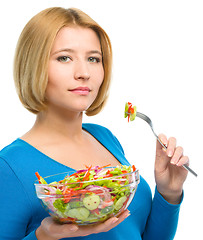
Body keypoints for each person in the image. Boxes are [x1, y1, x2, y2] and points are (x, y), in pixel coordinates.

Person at [0, 7, 189, 240]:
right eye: (64, 58)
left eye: (93, 59)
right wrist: (42, 237)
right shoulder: (8, 167)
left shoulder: (105, 138)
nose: (84, 72)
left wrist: (169, 193)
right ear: (33, 65)